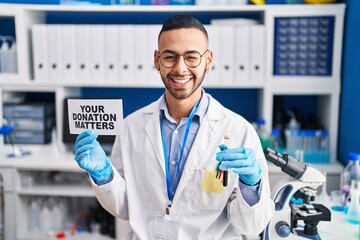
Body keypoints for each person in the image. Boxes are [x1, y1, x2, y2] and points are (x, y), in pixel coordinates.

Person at [74, 14, 274, 239]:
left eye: (191, 57)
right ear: (157, 60)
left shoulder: (239, 131)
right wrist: (103, 175)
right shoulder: (131, 127)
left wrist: (252, 187)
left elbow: (250, 227)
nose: (180, 68)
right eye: (170, 57)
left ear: (208, 60)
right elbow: (124, 206)